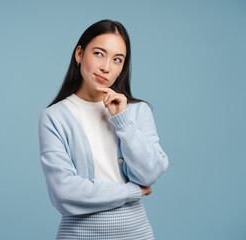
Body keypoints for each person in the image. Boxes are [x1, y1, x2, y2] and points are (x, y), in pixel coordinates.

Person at [38, 19, 168, 239]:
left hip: (136, 234)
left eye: (117, 60)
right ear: (79, 54)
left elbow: (150, 173)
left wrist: (123, 121)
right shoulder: (54, 117)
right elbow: (65, 192)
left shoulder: (137, 111)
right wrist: (132, 191)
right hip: (78, 235)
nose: (106, 67)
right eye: (99, 53)